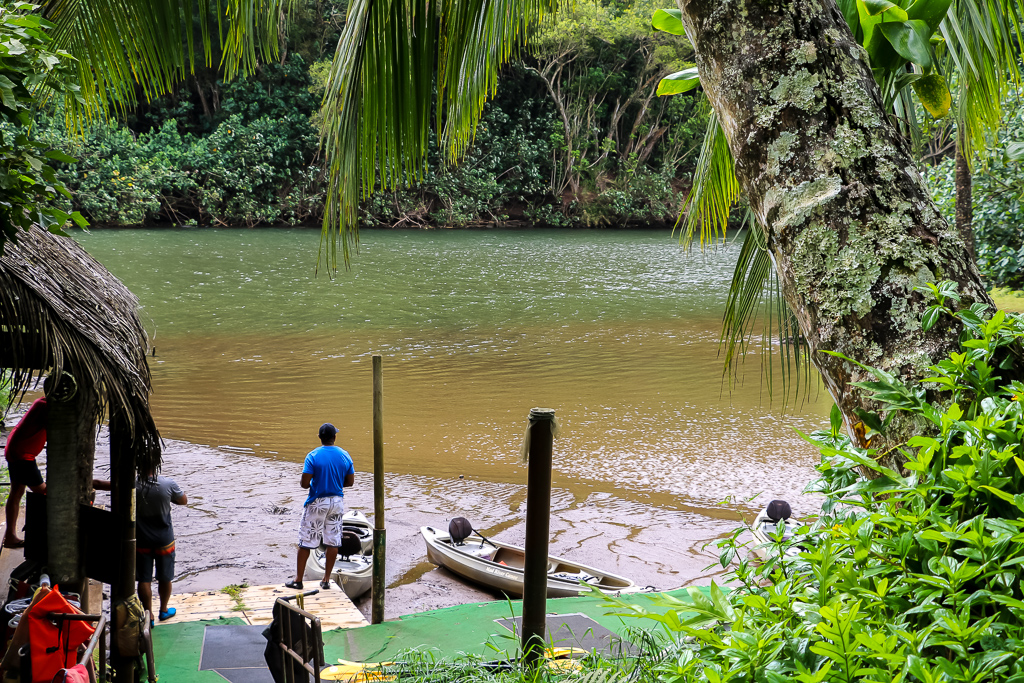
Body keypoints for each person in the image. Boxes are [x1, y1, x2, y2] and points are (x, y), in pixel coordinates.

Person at [286, 423, 354, 590]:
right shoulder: (345, 455)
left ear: (319, 438)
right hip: (337, 502)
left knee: (305, 542)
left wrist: (316, 482)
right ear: (335, 437)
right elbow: (350, 482)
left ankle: (298, 580)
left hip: (317, 502)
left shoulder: (313, 456)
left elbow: (304, 483)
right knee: (333, 541)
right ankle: (325, 580)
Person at [136, 468, 187, 625]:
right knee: (165, 577)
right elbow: (183, 500)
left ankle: (148, 615)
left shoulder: (133, 485)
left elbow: (102, 484)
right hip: (164, 540)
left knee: (144, 578)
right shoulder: (167, 484)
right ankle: (163, 610)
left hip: (142, 539)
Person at [3, 395, 49, 548]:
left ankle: (10, 536)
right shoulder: (47, 408)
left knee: (16, 492)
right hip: (23, 454)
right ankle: (38, 535)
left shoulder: (41, 401)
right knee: (42, 491)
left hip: (15, 449)